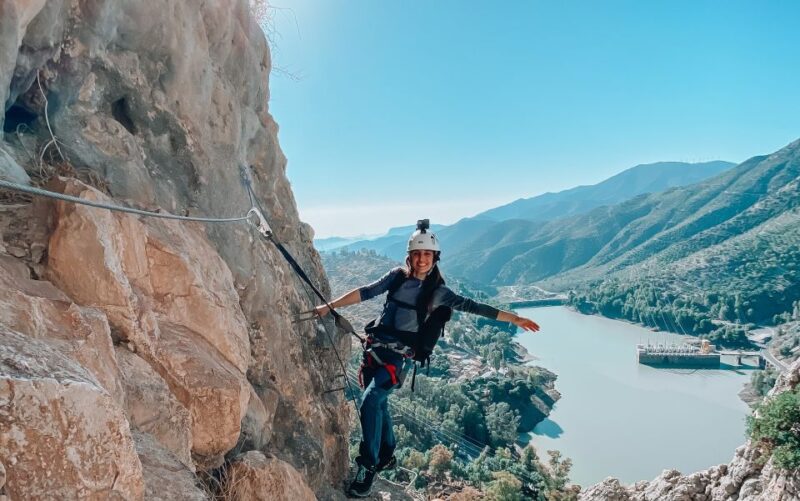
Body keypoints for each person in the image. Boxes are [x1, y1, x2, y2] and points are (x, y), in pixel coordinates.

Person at [314, 220, 540, 498]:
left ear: (435, 258)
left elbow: (474, 307)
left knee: (370, 400)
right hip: (375, 350)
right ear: (409, 256)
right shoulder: (397, 277)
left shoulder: (438, 292)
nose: (422, 260)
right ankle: (387, 454)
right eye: (417, 254)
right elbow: (366, 291)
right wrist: (330, 306)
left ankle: (368, 465)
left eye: (427, 255)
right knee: (379, 404)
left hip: (398, 359)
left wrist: (513, 318)